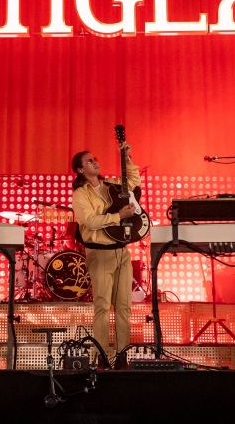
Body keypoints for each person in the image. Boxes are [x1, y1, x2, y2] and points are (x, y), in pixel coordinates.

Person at [70, 142, 140, 370]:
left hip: (121, 251)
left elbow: (133, 183)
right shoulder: (80, 195)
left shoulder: (111, 186)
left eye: (95, 158)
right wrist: (118, 216)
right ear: (80, 170)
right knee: (102, 306)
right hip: (99, 253)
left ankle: (122, 355)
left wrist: (127, 158)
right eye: (89, 161)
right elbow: (89, 221)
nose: (95, 162)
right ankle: (100, 355)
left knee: (124, 306)